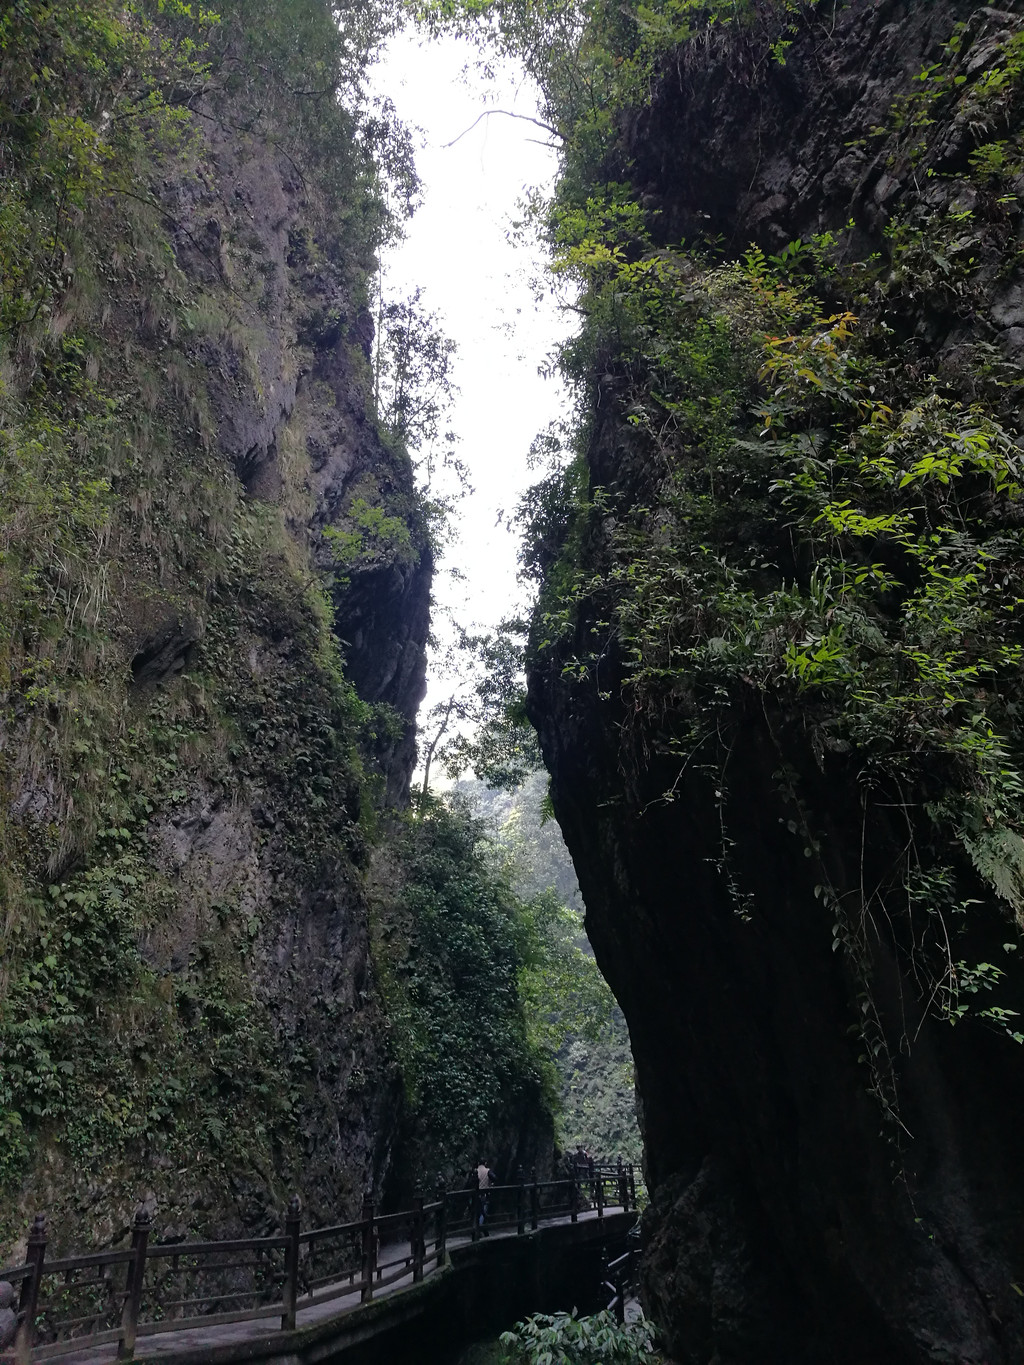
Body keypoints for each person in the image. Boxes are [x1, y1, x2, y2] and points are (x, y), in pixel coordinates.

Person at [476, 1160, 496, 1232]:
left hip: (475, 1194)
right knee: (483, 1211)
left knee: (476, 1211)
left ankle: (478, 1228)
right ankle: (479, 1228)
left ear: (478, 1163)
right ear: (485, 1163)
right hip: (484, 1194)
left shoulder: (475, 1171)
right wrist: (491, 1184)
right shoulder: (487, 1171)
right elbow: (494, 1177)